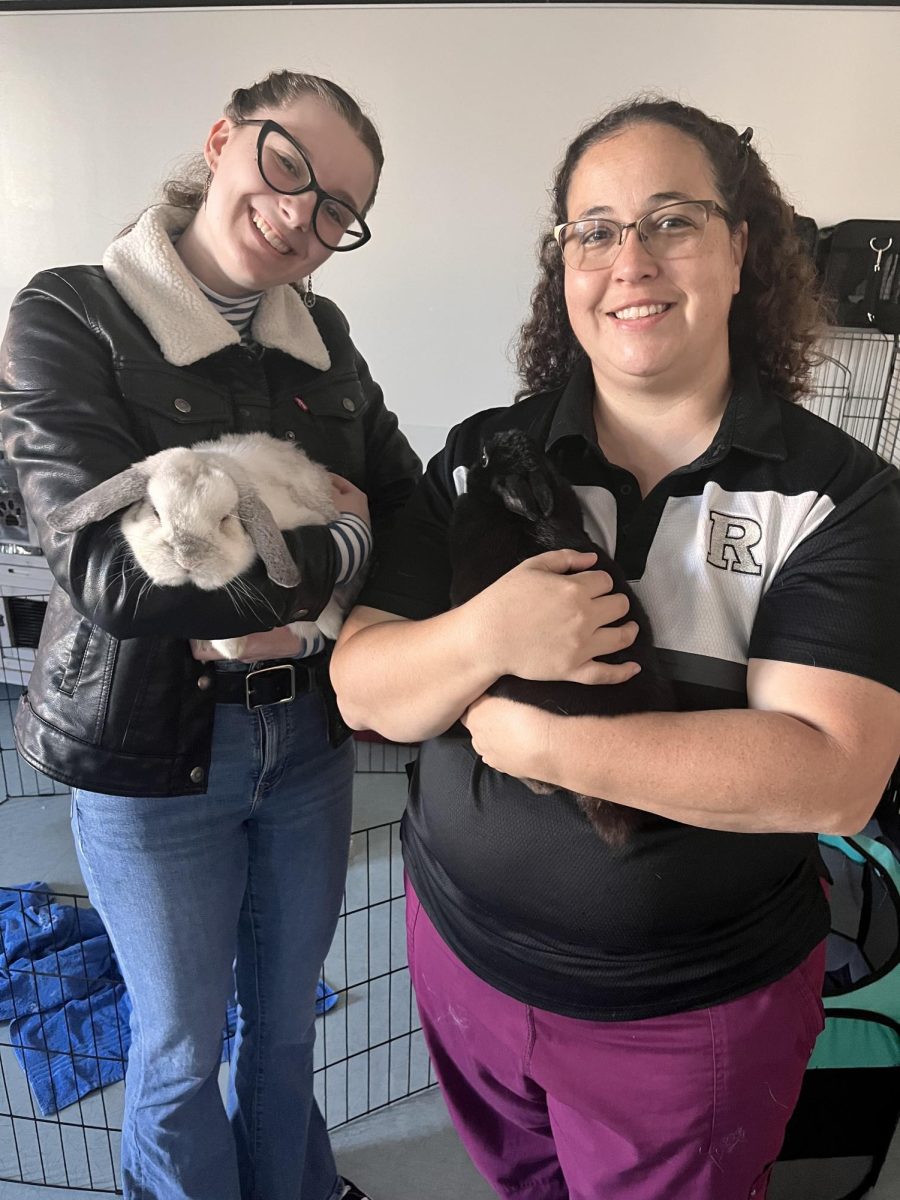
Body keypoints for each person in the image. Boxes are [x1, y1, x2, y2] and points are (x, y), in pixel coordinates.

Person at [331, 97, 900, 1200]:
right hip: (461, 957)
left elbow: (834, 776)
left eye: (672, 220)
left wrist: (532, 741)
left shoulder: (838, 500)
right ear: (564, 270)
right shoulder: (481, 457)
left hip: (684, 1020)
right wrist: (485, 633)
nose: (629, 260)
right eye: (592, 230)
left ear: (742, 250)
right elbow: (366, 686)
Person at [0, 70, 420, 1200]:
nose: (301, 216)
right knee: (181, 1049)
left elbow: (408, 501)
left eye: (337, 209)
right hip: (153, 752)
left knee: (284, 1032)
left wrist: (291, 580)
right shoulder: (67, 312)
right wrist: (333, 560)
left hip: (310, 748)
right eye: (288, 167)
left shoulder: (321, 336)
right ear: (225, 138)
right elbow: (109, 577)